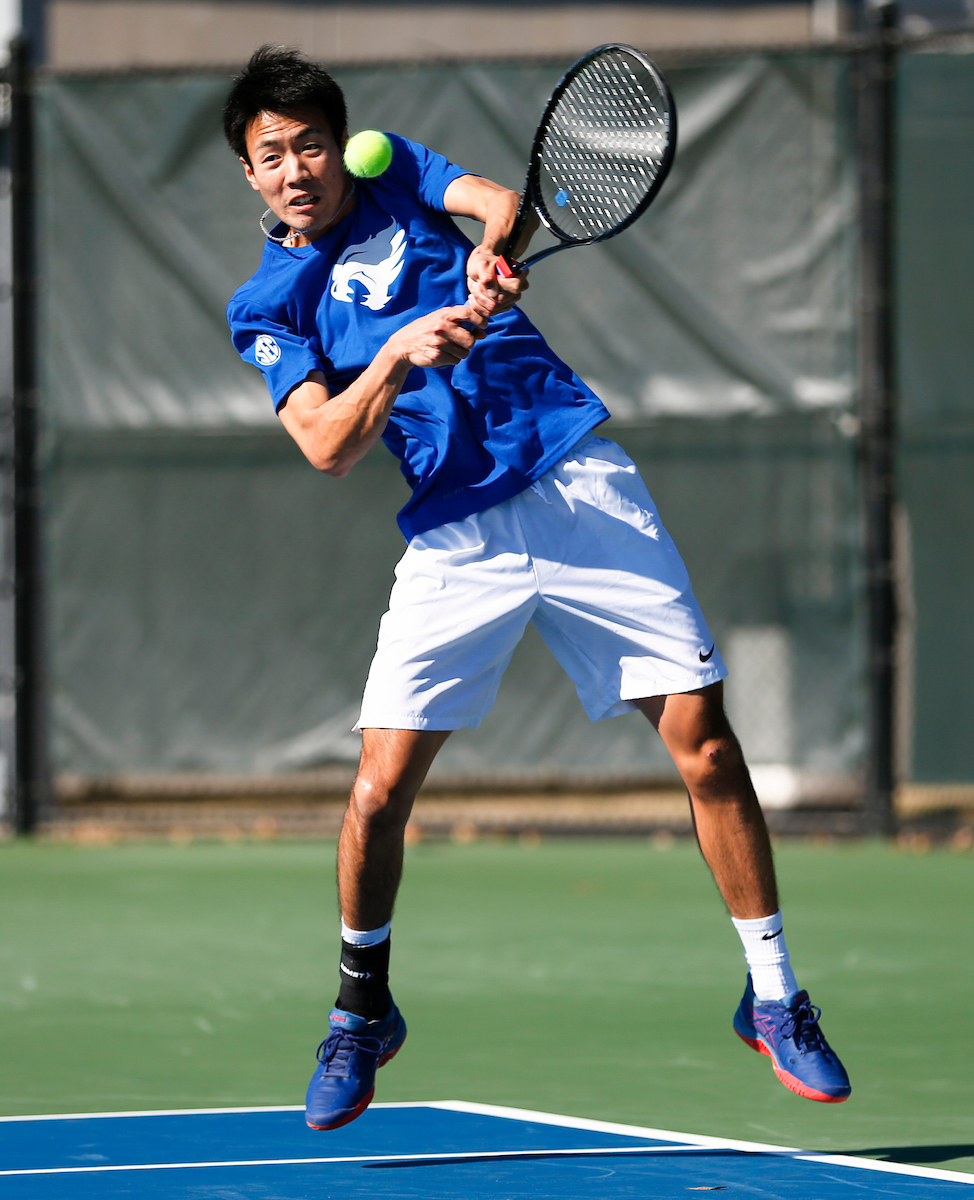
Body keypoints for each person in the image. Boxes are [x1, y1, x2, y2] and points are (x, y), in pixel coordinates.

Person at [223, 45, 851, 1131]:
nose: (296, 169)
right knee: (376, 794)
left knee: (703, 742)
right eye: (270, 155)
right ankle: (361, 1008)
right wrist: (393, 359)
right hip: (454, 539)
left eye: (310, 144)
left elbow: (497, 200)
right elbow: (325, 443)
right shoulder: (267, 305)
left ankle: (774, 996)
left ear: (339, 143)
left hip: (575, 478)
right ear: (248, 174)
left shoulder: (397, 172)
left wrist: (490, 255)